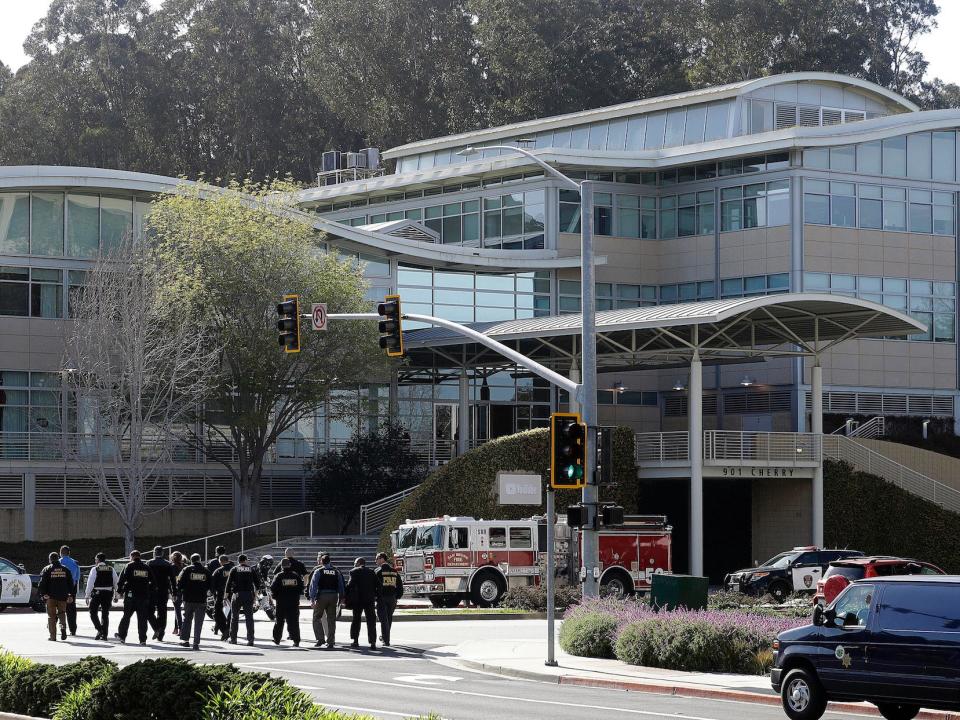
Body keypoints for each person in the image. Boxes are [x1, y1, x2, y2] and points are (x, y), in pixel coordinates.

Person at [115, 550, 155, 645]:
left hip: (130, 596)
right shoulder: (146, 567)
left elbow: (121, 580)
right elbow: (153, 582)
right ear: (139, 557)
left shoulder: (129, 566)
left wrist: (119, 592)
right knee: (142, 619)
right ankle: (142, 640)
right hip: (143, 596)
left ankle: (122, 636)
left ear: (131, 557)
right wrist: (148, 591)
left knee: (126, 617)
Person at [308, 552, 344, 649]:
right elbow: (341, 585)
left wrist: (312, 599)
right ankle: (331, 641)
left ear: (321, 562)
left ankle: (320, 639)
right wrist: (341, 598)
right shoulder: (336, 571)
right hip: (333, 596)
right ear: (330, 561)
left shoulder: (318, 571)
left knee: (316, 617)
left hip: (322, 596)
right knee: (331, 619)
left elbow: (313, 586)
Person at [225, 554, 261, 646]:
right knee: (249, 618)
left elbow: (228, 584)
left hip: (237, 595)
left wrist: (225, 596)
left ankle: (233, 639)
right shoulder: (251, 569)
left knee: (234, 617)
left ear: (238, 561)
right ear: (245, 560)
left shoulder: (234, 569)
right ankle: (250, 640)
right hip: (248, 595)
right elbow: (257, 584)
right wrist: (255, 596)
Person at [177, 553, 210, 650]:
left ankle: (185, 641)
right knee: (198, 622)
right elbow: (211, 584)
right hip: (201, 599)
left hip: (188, 599)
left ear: (191, 560)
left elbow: (179, 582)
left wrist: (181, 591)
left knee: (187, 619)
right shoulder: (205, 571)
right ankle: (196, 643)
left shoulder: (186, 570)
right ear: (200, 560)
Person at [38, 552, 74, 642]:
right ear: (58, 558)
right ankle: (63, 629)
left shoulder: (47, 569)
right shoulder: (65, 569)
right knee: (62, 614)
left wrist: (43, 594)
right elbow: (71, 583)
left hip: (51, 597)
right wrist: (70, 594)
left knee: (51, 616)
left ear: (50, 559)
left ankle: (53, 636)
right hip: (63, 596)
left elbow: (42, 583)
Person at [346, 557, 379, 650]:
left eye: (355, 563)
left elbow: (349, 585)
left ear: (359, 563)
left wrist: (345, 595)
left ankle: (355, 640)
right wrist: (375, 595)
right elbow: (378, 585)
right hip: (369, 600)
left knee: (356, 620)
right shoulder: (372, 572)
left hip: (358, 600)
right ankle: (373, 642)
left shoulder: (353, 572)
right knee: (371, 621)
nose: (354, 564)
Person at [270, 557, 304, 646]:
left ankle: (277, 639)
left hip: (281, 603)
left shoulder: (279, 576)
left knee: (279, 622)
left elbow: (273, 588)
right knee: (294, 622)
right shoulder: (296, 576)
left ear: (282, 566)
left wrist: (276, 596)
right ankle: (296, 640)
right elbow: (301, 589)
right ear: (290, 565)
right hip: (293, 603)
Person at [85, 552, 118, 641]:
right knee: (105, 614)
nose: (95, 561)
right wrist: (116, 595)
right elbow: (116, 583)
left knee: (92, 612)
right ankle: (105, 635)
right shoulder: (111, 569)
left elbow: (90, 583)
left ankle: (100, 629)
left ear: (98, 560)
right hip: (108, 594)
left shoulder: (95, 569)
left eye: (95, 559)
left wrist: (87, 595)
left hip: (97, 593)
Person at [147, 546, 176, 641]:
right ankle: (161, 633)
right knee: (162, 612)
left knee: (149, 611)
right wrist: (174, 592)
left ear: (154, 553)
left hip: (152, 590)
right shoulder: (168, 564)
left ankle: (156, 628)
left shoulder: (149, 563)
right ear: (162, 553)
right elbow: (172, 580)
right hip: (163, 590)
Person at [374, 552, 403, 647]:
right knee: (388, 618)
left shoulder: (378, 571)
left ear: (382, 559)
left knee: (383, 620)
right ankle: (385, 636)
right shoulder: (395, 572)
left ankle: (386, 640)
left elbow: (373, 586)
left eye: (377, 558)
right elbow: (400, 587)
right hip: (392, 599)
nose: (375, 561)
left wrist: (374, 597)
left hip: (382, 599)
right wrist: (397, 597)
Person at [210, 554, 234, 640]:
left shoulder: (218, 571)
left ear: (221, 561)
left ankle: (224, 630)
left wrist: (213, 594)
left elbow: (212, 585)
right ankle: (229, 630)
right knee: (231, 614)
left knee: (217, 613)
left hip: (221, 595)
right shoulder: (234, 569)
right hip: (233, 594)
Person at [58, 545, 80, 636]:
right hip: (72, 588)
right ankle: (73, 629)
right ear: (69, 553)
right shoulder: (75, 563)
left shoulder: (59, 562)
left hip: (60, 588)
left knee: (59, 609)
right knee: (71, 610)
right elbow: (77, 577)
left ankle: (60, 628)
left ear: (61, 552)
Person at [170, 551, 185, 636]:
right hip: (184, 590)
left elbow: (170, 580)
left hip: (175, 590)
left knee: (177, 610)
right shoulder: (184, 566)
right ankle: (176, 628)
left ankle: (180, 628)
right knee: (179, 610)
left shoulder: (171, 567)